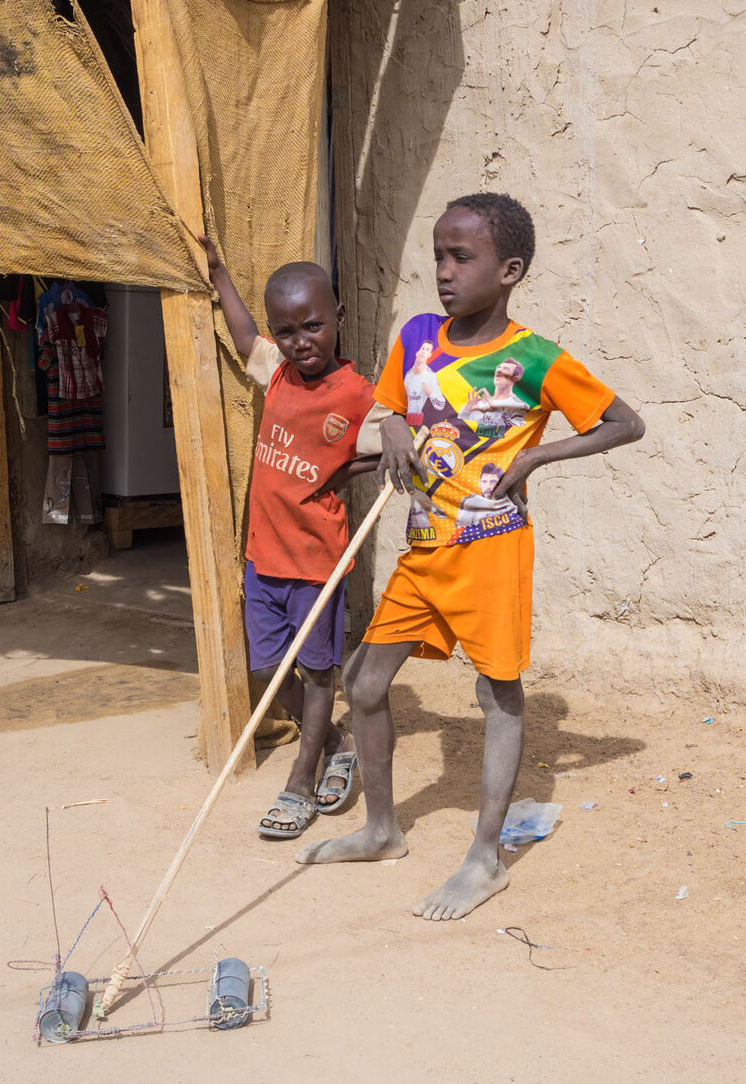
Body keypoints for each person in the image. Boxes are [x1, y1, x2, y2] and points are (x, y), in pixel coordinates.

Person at [297, 192, 645, 919]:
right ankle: (382, 829)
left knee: (497, 695)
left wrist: (537, 457)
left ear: (508, 269)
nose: (444, 272)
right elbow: (390, 406)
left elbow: (622, 423)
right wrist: (390, 427)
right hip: (422, 548)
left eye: (462, 258)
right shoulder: (417, 335)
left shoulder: (533, 357)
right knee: (363, 683)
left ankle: (485, 859)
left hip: (489, 549)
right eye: (438, 256)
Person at [198, 234, 386, 838]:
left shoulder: (358, 395)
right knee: (272, 673)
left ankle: (300, 781)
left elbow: (391, 448)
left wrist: (348, 467)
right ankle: (335, 741)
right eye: (287, 331)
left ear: (339, 318)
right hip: (264, 557)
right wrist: (221, 273)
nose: (300, 342)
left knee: (320, 671)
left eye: (311, 326)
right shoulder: (277, 377)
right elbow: (243, 335)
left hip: (315, 559)